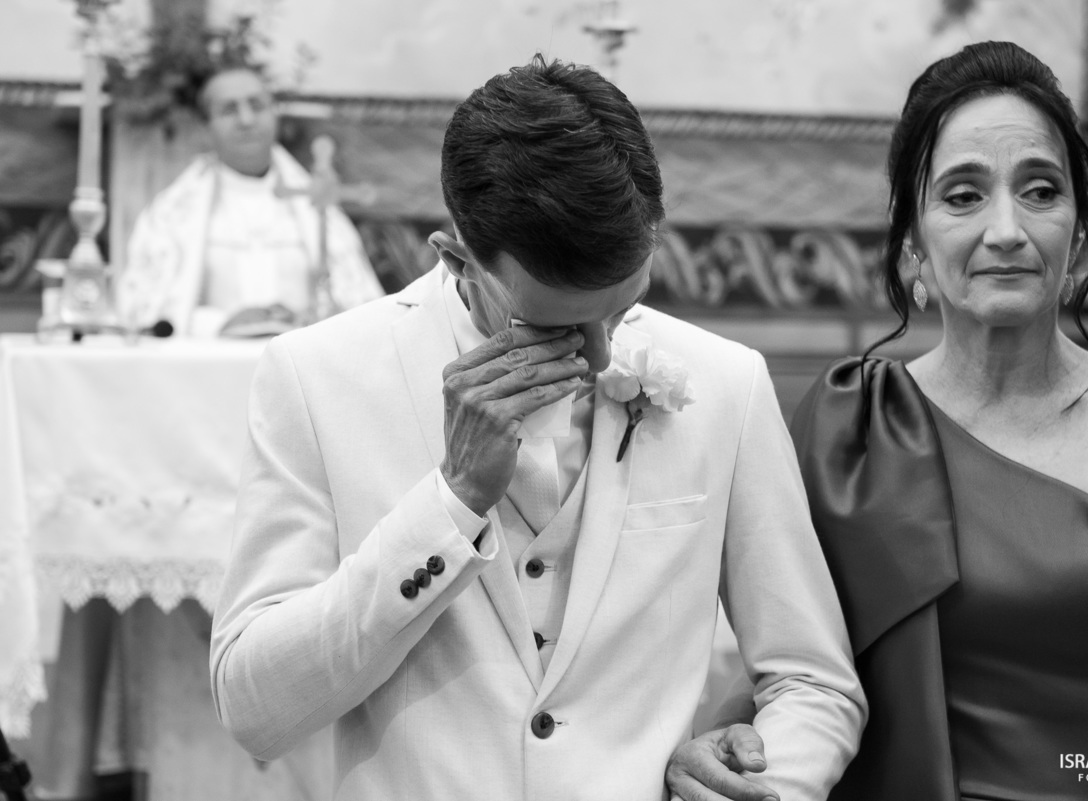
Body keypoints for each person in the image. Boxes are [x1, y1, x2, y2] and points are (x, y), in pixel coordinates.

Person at [209, 56, 865, 799]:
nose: (600, 353)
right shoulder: (315, 378)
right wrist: (450, 505)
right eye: (552, 322)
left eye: (621, 307)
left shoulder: (727, 385)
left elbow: (814, 681)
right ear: (456, 256)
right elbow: (254, 709)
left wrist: (750, 778)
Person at [667, 41, 1088, 801]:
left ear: (1079, 238)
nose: (1007, 229)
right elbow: (783, 675)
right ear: (913, 247)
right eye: (963, 195)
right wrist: (712, 751)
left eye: (1041, 191)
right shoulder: (847, 427)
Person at [118, 66, 383, 337]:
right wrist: (219, 324)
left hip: (302, 366)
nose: (246, 119)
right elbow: (146, 313)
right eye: (229, 110)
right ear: (206, 126)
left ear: (274, 114)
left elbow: (358, 309)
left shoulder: (315, 204)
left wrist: (307, 319)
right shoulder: (171, 215)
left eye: (257, 106)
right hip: (211, 367)